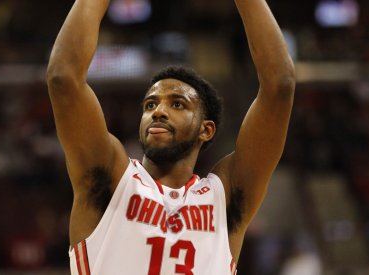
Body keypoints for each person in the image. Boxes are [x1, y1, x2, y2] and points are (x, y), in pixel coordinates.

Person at [46, 0, 295, 274]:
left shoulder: (224, 198)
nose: (158, 112)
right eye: (150, 105)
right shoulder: (111, 178)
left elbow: (279, 85)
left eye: (177, 104)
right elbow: (63, 78)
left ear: (206, 129)